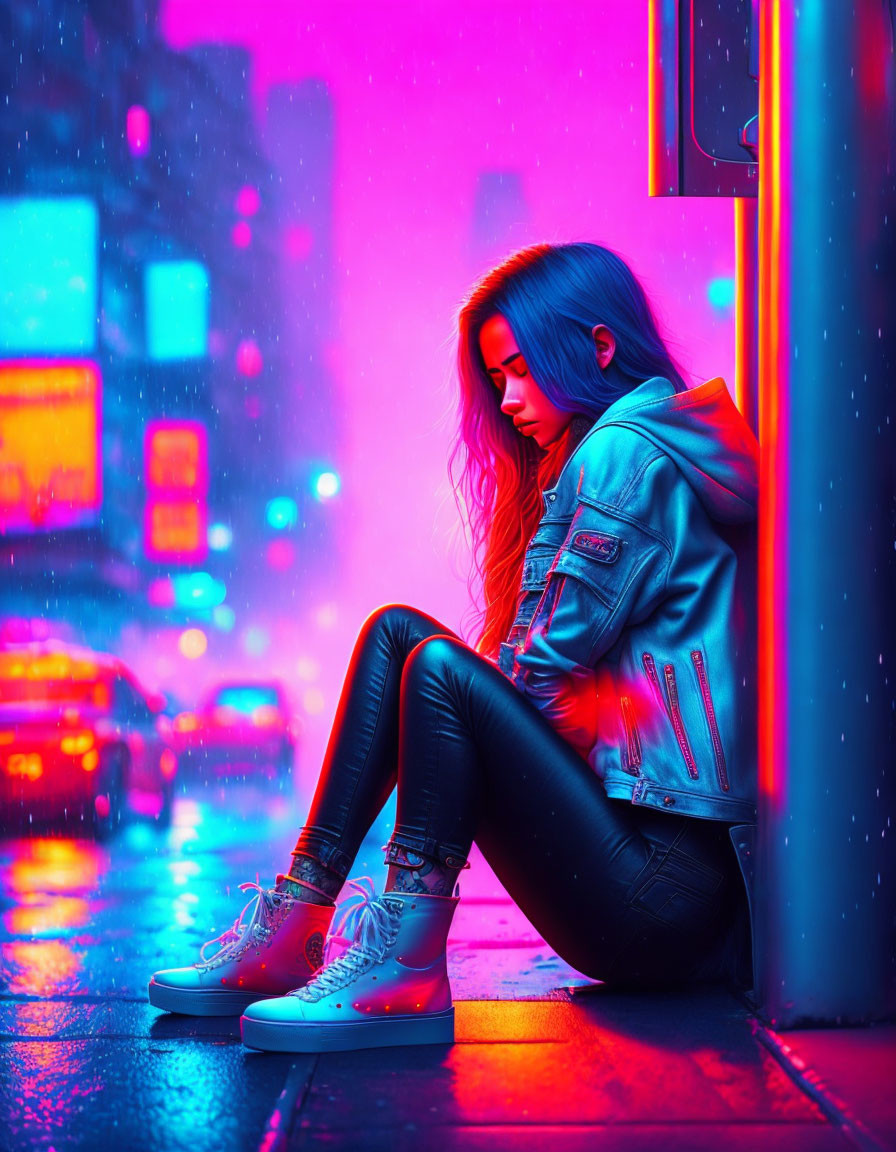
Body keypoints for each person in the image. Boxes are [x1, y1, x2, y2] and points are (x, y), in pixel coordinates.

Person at [149, 241, 759, 1055]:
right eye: (495, 378)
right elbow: (542, 686)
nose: (505, 401)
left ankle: (399, 962)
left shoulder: (626, 450)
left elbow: (538, 683)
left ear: (600, 348)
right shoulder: (626, 447)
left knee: (435, 669)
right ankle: (299, 920)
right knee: (397, 634)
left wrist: (476, 717)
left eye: (517, 371)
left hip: (662, 896)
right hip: (650, 876)